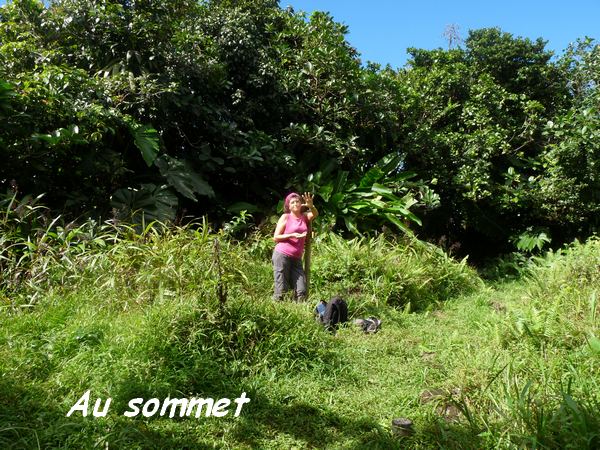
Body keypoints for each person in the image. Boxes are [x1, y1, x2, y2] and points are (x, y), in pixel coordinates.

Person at [272, 192, 318, 301]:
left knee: (301, 288)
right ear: (288, 206)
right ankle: (278, 309)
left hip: (296, 258)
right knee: (281, 287)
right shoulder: (286, 217)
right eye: (292, 202)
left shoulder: (304, 217)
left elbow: (315, 214)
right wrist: (291, 235)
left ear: (301, 203)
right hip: (282, 255)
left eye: (297, 201)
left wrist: (311, 206)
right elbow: (276, 237)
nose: (295, 204)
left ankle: (301, 311)